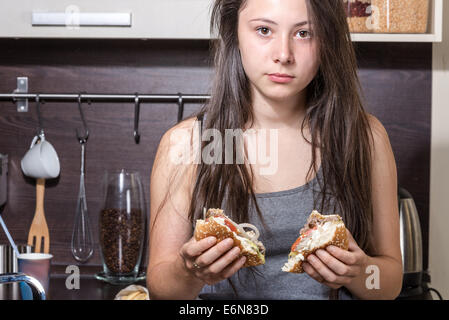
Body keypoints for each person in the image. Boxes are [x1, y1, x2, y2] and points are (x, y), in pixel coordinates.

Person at [146, 0, 403, 300]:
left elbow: (389, 284)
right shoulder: (187, 144)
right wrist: (188, 272)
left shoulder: (364, 137)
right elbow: (160, 290)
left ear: (328, 40)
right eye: (264, 30)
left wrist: (360, 273)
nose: (284, 54)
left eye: (304, 34)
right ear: (235, 33)